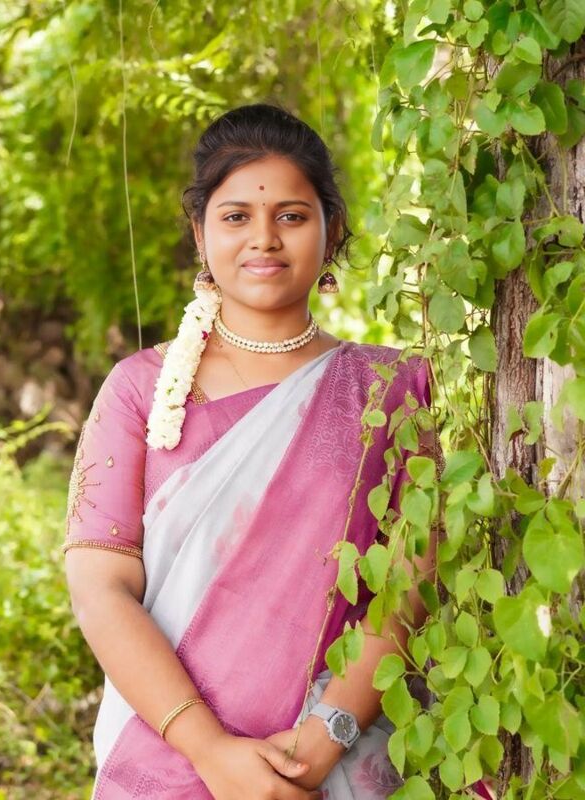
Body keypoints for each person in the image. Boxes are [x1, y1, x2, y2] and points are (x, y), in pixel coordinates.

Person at [62, 103, 490, 800]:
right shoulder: (139, 388)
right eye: (236, 216)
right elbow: (100, 587)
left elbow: (412, 575)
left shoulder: (390, 386)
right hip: (170, 758)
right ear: (200, 234)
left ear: (332, 228)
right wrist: (209, 750)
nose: (264, 238)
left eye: (291, 215)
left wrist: (325, 737)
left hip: (340, 755)